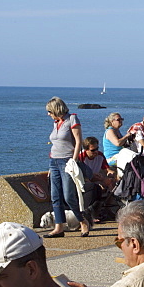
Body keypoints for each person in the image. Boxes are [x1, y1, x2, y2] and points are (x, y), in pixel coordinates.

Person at [46, 96, 87, 238]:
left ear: (56, 109)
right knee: (55, 196)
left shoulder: (72, 119)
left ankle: (82, 221)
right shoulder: (56, 123)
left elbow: (78, 141)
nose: (49, 115)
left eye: (50, 112)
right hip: (54, 161)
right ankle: (59, 226)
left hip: (66, 161)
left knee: (69, 195)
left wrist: (73, 161)